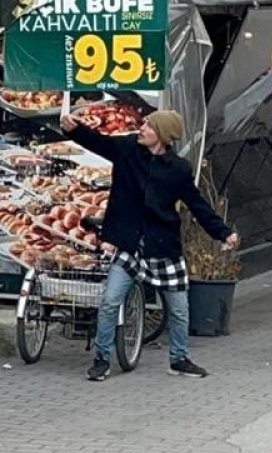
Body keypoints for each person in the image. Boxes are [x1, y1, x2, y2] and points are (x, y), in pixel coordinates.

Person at [60, 109, 240, 381]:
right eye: (143, 124)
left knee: (179, 309)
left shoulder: (178, 169)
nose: (141, 128)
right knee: (110, 302)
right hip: (129, 244)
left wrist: (223, 232)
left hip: (162, 247)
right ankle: (101, 359)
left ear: (163, 135)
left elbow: (197, 204)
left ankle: (179, 359)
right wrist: (73, 129)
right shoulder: (127, 149)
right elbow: (99, 143)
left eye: (148, 126)